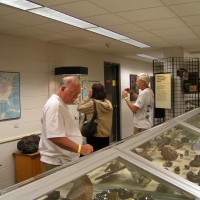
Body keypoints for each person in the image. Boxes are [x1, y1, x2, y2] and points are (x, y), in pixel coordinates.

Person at [39, 76, 93, 171]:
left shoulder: (60, 104)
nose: (75, 97)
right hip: (57, 162)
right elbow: (55, 136)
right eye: (73, 93)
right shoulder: (55, 105)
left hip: (64, 159)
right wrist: (80, 149)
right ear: (63, 89)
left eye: (78, 94)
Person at [77, 83, 113, 152]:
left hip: (94, 133)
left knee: (94, 155)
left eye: (91, 91)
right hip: (106, 134)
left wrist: (88, 97)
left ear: (94, 92)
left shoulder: (92, 103)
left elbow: (79, 108)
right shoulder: (108, 102)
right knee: (104, 153)